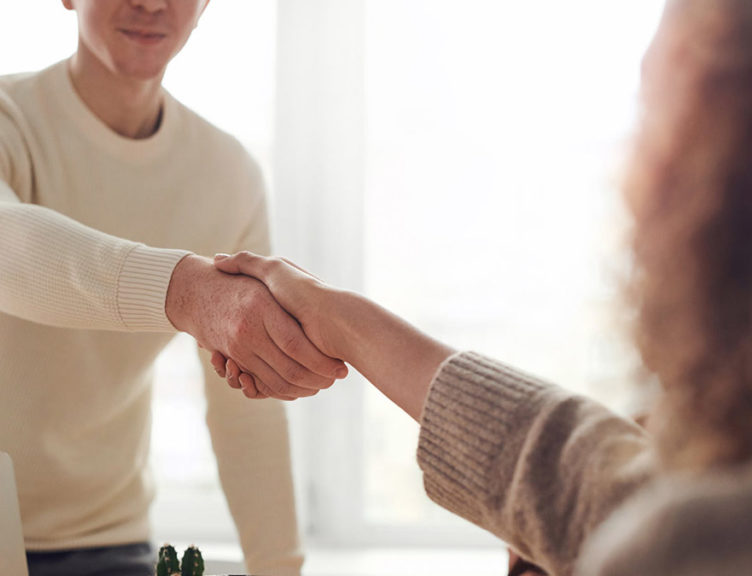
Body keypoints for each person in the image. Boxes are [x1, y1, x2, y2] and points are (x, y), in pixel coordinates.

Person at [209, 0, 752, 574]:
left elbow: (616, 506)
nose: (627, 176)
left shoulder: (688, 543)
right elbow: (595, 487)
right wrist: (344, 323)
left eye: (650, 116)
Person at [0, 1, 347, 574]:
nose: (151, 3)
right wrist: (184, 292)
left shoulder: (227, 174)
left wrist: (279, 566)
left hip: (106, 542)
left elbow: (244, 408)